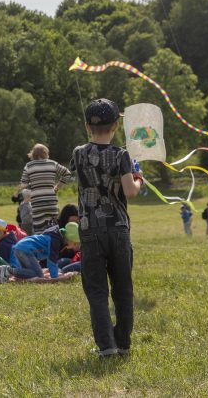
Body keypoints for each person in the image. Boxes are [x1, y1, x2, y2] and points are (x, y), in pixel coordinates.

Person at [70, 98, 143, 358]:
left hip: (90, 230)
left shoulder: (78, 153)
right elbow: (130, 192)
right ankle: (123, 342)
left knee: (97, 290)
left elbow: (78, 175)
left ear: (88, 127)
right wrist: (138, 177)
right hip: (118, 229)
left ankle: (107, 346)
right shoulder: (122, 155)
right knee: (123, 287)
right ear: (116, 125)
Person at [17, 143, 71, 233]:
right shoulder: (52, 163)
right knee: (54, 229)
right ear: (46, 153)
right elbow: (67, 173)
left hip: (37, 203)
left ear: (33, 154)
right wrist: (57, 187)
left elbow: (23, 184)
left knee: (39, 231)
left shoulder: (29, 166)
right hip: (51, 201)